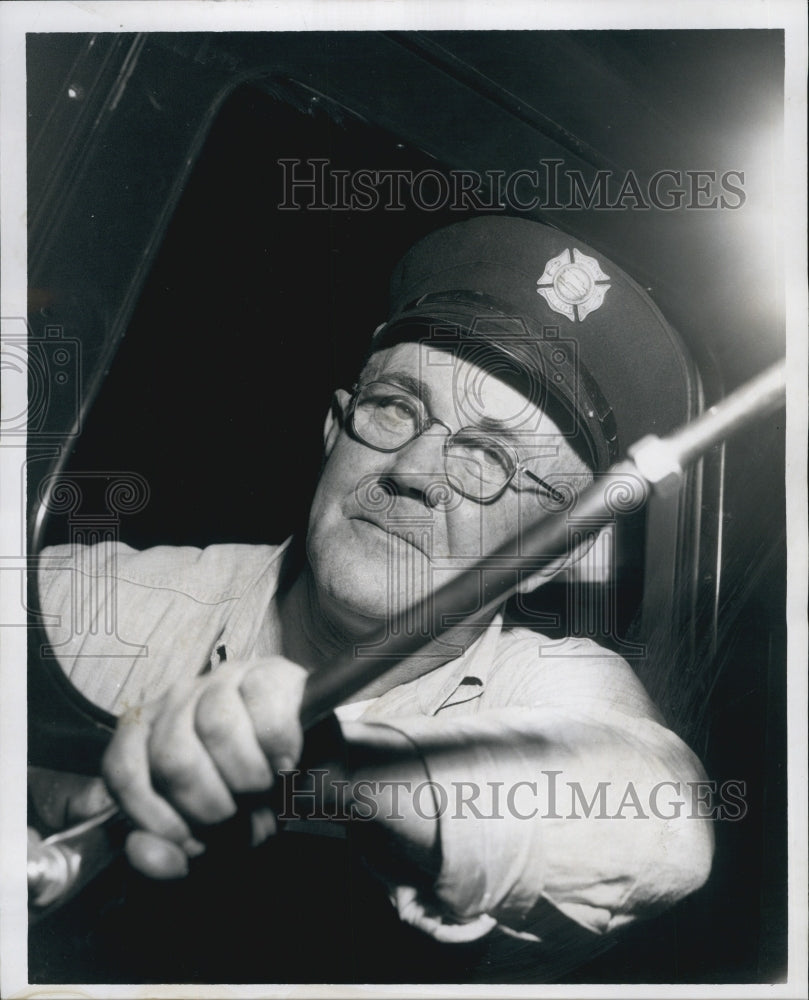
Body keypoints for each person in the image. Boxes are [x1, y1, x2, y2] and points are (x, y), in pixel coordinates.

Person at [34, 216, 713, 982]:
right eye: (395, 407)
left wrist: (322, 758)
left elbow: (661, 827)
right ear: (333, 430)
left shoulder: (545, 686)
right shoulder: (93, 602)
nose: (415, 469)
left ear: (553, 555)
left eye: (489, 456)